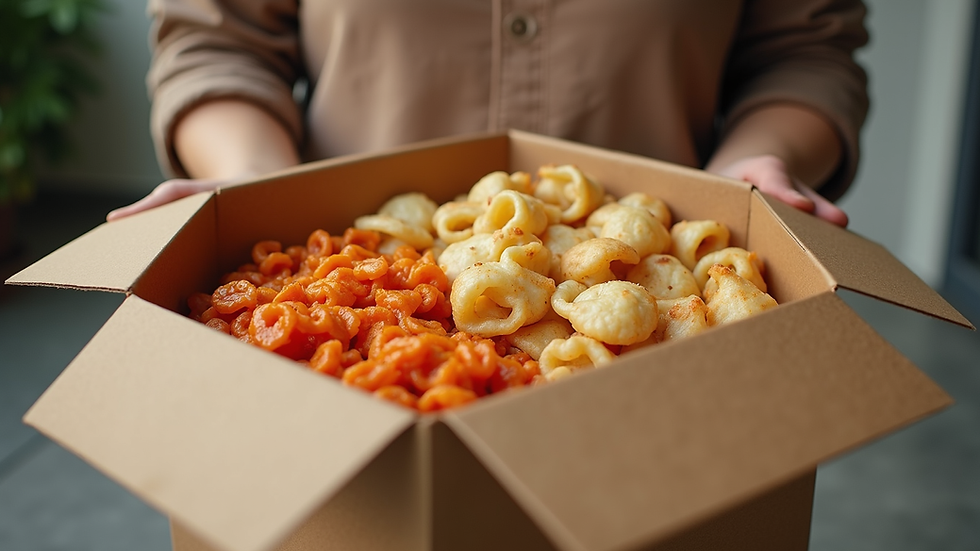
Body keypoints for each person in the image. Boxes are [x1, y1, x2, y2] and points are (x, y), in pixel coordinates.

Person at [108, 0, 869, 228]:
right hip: (349, 289)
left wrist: (755, 167)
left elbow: (805, 50)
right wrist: (249, 177)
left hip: (671, 360)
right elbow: (220, 44)